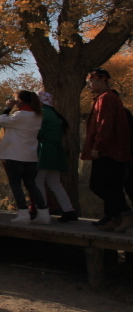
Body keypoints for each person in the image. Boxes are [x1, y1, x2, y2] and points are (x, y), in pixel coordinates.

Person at [83, 69, 133, 231]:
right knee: (112, 186)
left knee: (98, 185)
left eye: (90, 81)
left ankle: (126, 213)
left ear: (102, 80)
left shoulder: (107, 99)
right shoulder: (104, 98)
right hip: (112, 150)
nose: (88, 85)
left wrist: (97, 147)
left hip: (109, 151)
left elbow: (104, 124)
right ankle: (114, 219)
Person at [0, 90, 50, 224]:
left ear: (21, 101)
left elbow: (0, 120)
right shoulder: (37, 115)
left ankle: (23, 213)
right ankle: (43, 213)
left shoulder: (21, 115)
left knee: (15, 184)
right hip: (30, 155)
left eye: (16, 100)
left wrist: (8, 107)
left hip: (15, 155)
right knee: (31, 184)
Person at [34, 91, 78, 222]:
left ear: (41, 101)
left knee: (38, 181)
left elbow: (37, 132)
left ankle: (42, 211)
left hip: (45, 152)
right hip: (56, 152)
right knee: (54, 182)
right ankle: (68, 210)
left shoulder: (43, 114)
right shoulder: (54, 114)